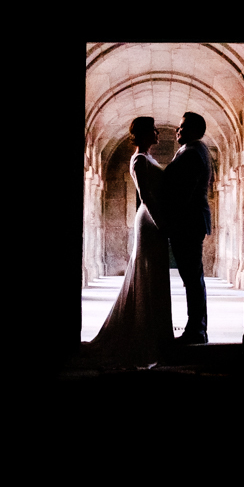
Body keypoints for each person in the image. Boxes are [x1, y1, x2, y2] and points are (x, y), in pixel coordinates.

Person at [82, 117, 173, 367]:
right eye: (153, 129)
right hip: (149, 220)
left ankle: (158, 335)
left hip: (154, 219)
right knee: (148, 275)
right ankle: (146, 335)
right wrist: (161, 223)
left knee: (155, 275)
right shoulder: (139, 159)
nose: (157, 133)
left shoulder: (148, 158)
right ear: (144, 133)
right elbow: (145, 195)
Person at [162, 112, 212, 345]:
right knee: (193, 278)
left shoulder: (192, 153)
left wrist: (170, 220)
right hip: (190, 222)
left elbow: (182, 193)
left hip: (188, 223)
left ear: (194, 130)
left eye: (182, 127)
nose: (177, 131)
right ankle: (197, 327)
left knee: (191, 278)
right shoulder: (194, 150)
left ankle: (196, 330)